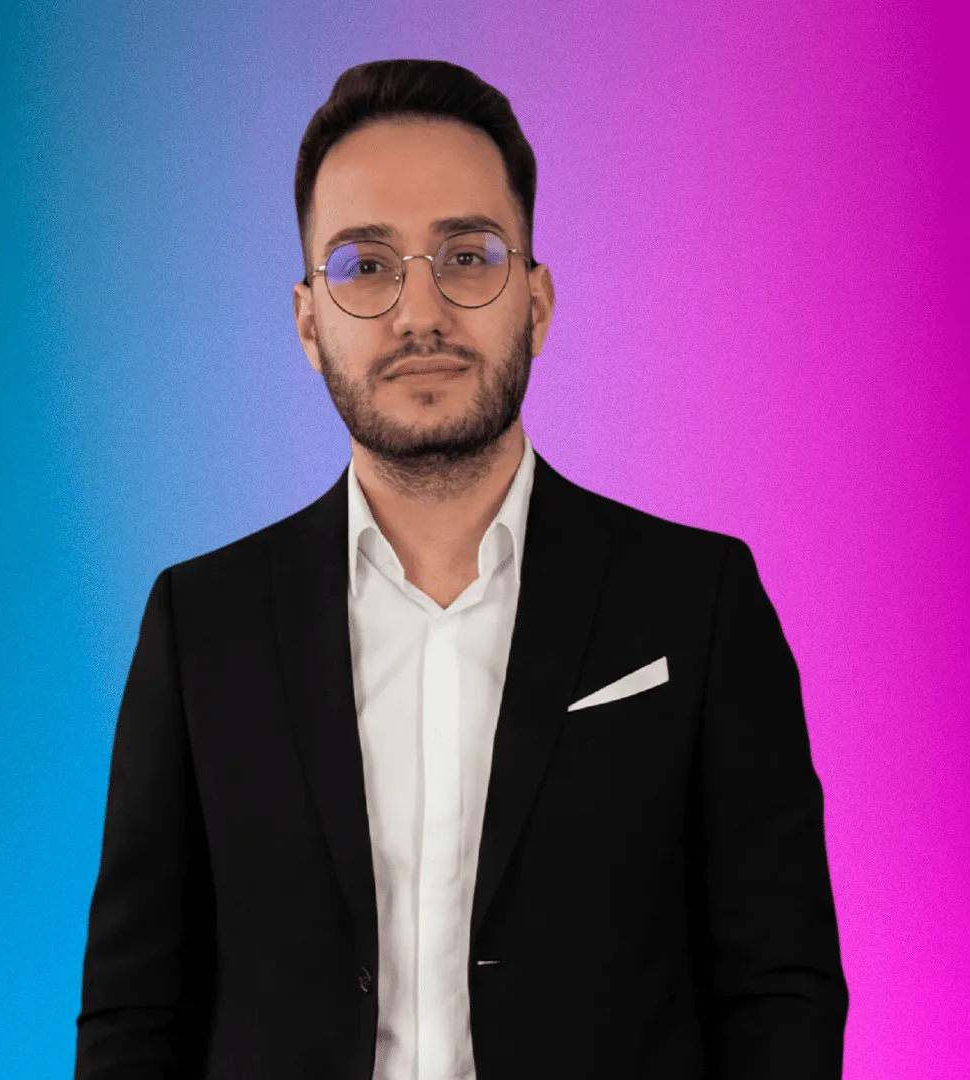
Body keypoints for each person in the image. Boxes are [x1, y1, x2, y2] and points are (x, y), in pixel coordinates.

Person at [74, 58, 849, 1080]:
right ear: (308, 322)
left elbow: (781, 989)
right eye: (365, 265)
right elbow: (134, 1010)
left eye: (468, 255)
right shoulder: (202, 626)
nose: (419, 311)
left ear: (537, 301)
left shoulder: (696, 603)